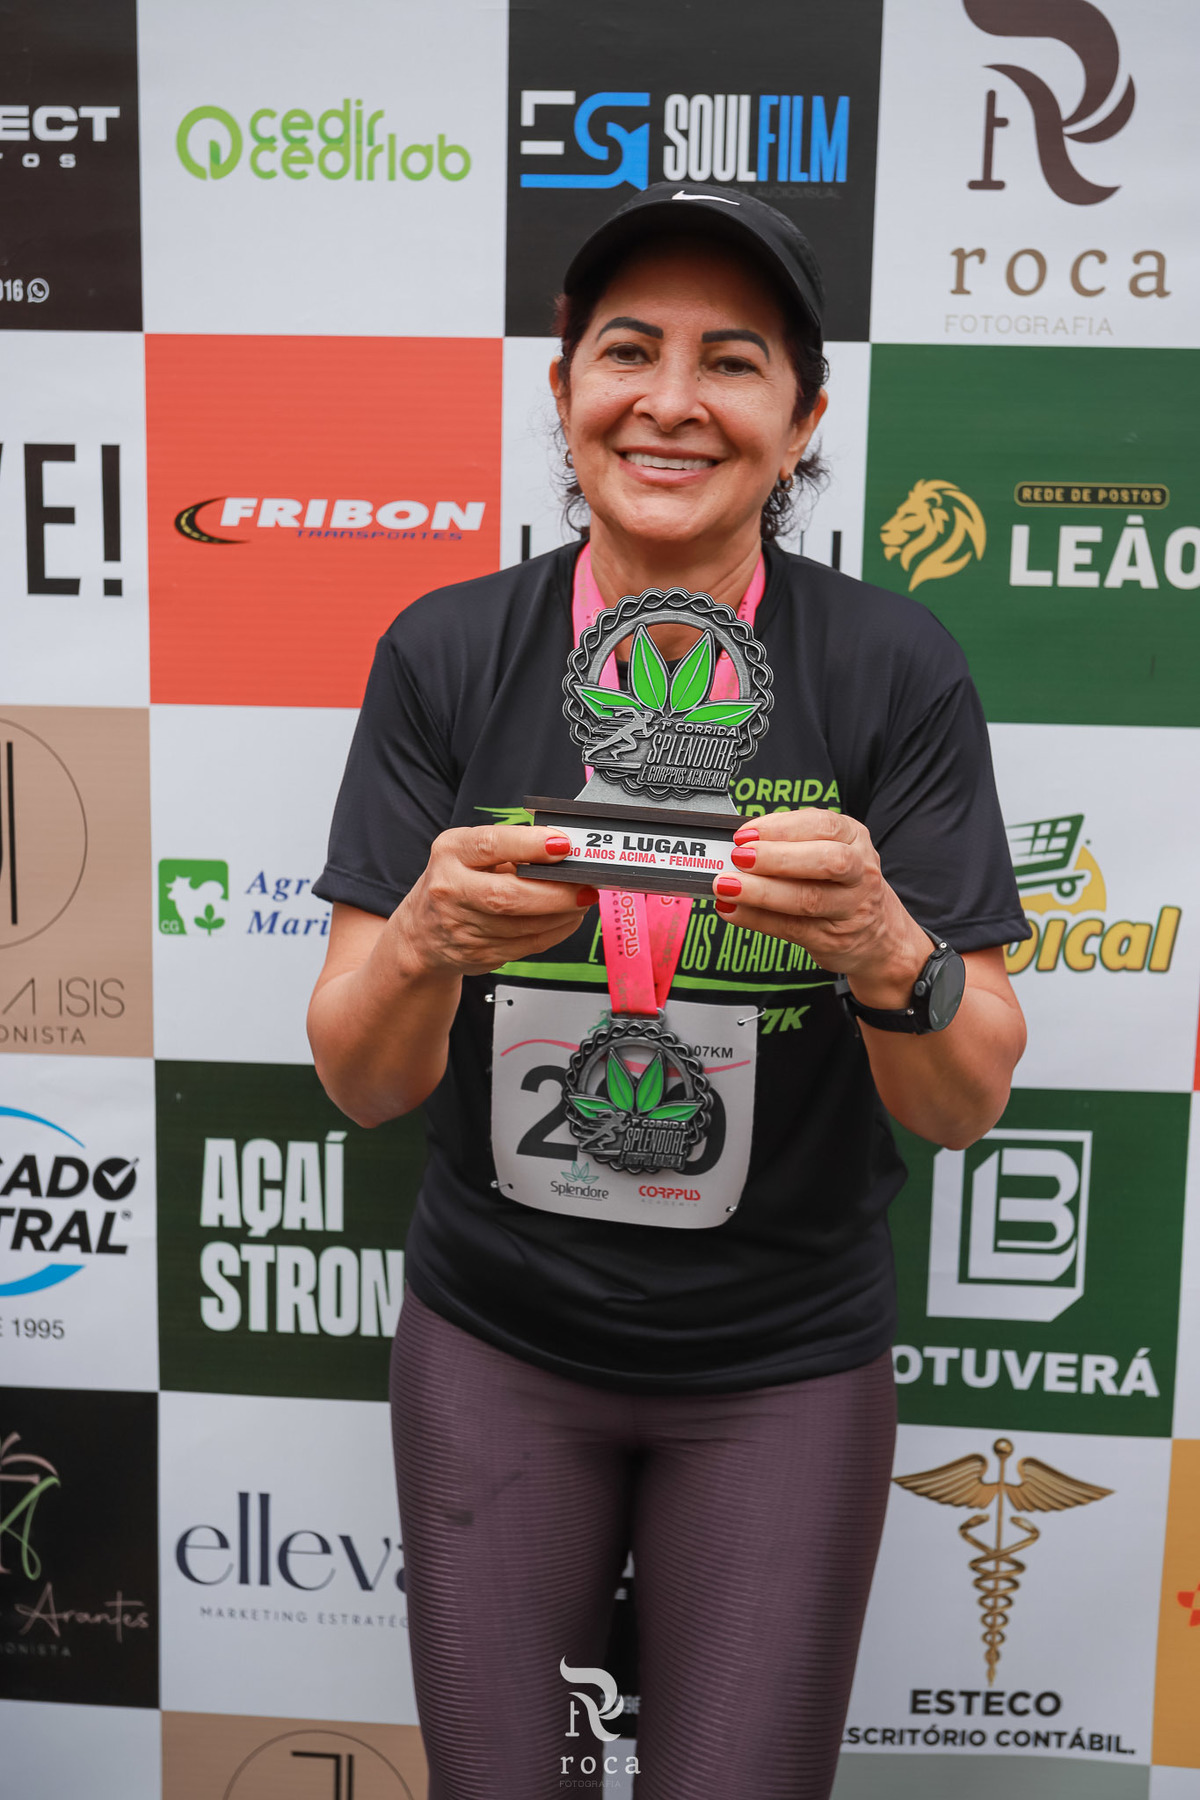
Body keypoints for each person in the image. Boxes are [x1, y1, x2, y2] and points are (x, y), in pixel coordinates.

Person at [307, 182, 1029, 1800]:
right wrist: (421, 941)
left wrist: (884, 948)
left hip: (784, 1361)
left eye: (735, 361)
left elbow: (967, 1098)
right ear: (563, 390)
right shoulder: (447, 650)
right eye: (629, 351)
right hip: (498, 1343)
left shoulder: (892, 666)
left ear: (805, 419)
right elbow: (360, 1078)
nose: (673, 401)